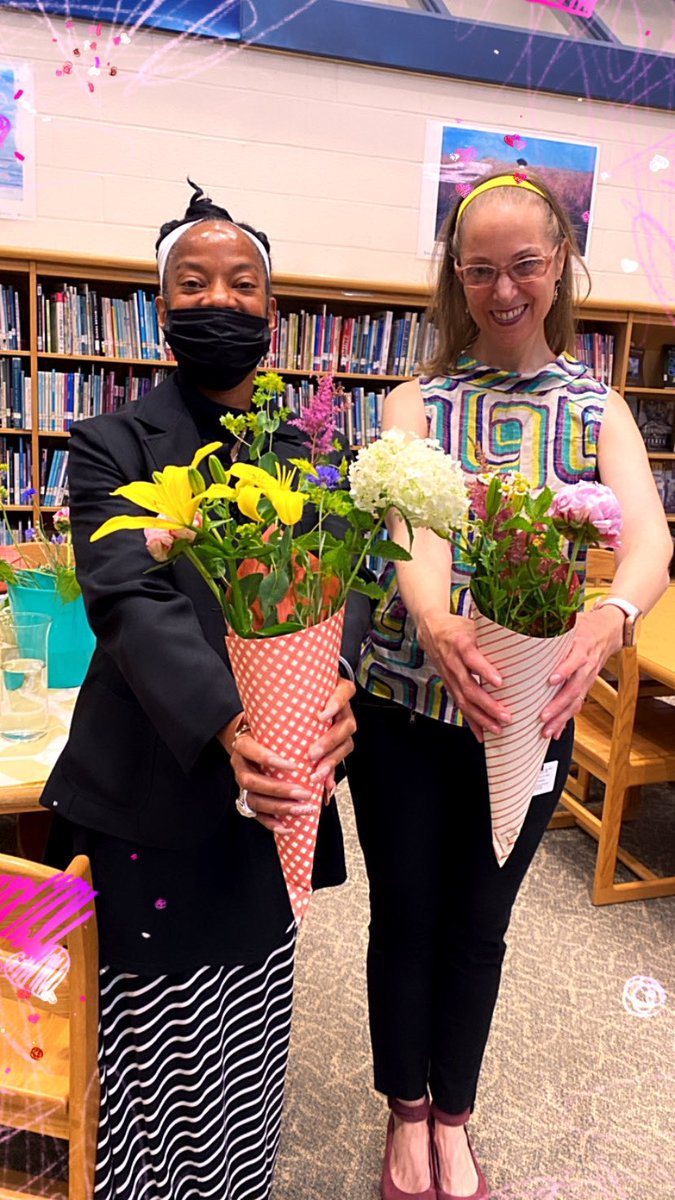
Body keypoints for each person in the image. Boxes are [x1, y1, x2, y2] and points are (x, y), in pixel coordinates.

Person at [346, 171, 672, 1200]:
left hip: (528, 723)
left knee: (479, 927)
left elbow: (651, 538)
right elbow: (414, 527)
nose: (502, 289)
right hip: (408, 706)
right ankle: (405, 1115)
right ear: (455, 274)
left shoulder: (596, 405)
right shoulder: (415, 399)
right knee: (402, 916)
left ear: (560, 265)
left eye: (524, 264)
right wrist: (435, 621)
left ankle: (455, 1118)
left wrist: (610, 616)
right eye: (479, 268)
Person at [41, 181, 368, 1200]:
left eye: (243, 284)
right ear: (161, 307)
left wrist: (335, 679)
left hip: (279, 782)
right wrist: (233, 722)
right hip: (155, 771)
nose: (219, 301)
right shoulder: (111, 445)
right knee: (149, 1022)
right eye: (194, 283)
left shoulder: (310, 447)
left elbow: (351, 578)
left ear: (273, 314)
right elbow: (130, 600)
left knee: (254, 1000)